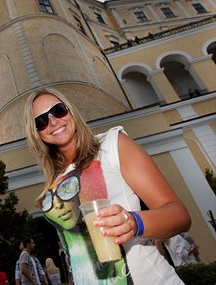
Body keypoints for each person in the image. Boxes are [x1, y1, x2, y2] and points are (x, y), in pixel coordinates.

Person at [24, 88, 191, 284]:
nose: (53, 121)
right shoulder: (55, 182)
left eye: (59, 110)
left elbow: (179, 215)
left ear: (71, 110)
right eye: (41, 121)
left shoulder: (112, 144)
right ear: (37, 133)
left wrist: (134, 222)